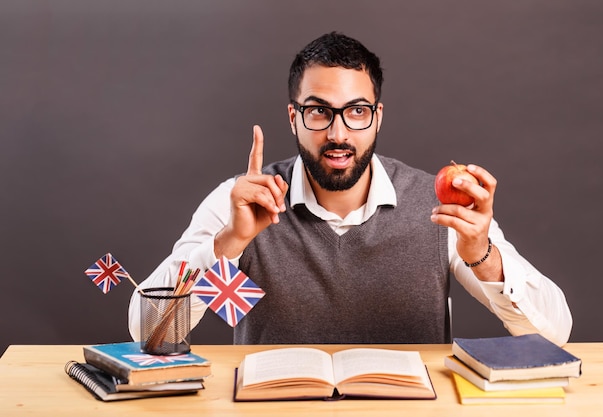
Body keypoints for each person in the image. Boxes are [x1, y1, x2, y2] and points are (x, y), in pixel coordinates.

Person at [128, 32, 572, 346]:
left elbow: (553, 333)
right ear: (293, 118)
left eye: (356, 111)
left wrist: (482, 253)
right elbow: (147, 332)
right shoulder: (241, 201)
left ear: (377, 117)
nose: (338, 133)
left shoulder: (437, 206)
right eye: (319, 111)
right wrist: (229, 243)